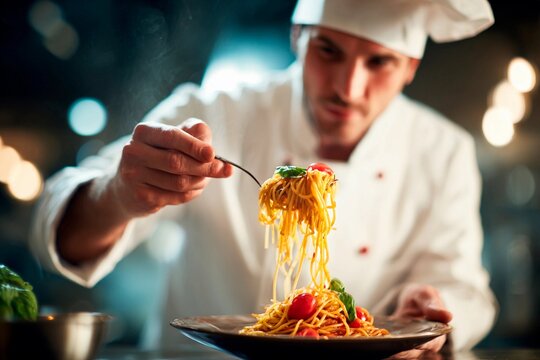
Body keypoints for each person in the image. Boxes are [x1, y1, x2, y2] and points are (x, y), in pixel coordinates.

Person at [30, 0, 498, 355]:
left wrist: (433, 307)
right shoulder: (216, 110)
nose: (347, 88)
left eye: (379, 62)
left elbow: (466, 288)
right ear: (298, 35)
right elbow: (54, 223)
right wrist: (119, 194)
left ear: (411, 67)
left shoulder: (443, 150)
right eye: (328, 50)